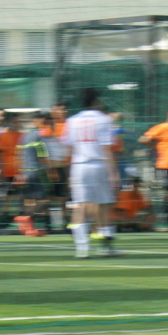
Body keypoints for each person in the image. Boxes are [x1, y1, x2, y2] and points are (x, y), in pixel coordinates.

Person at [62, 88, 120, 258]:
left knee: (80, 206)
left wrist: (69, 172)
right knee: (104, 205)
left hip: (78, 165)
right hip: (99, 165)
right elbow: (106, 147)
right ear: (97, 101)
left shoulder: (72, 120)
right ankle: (106, 247)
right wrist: (113, 172)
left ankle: (82, 249)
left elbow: (68, 147)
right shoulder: (104, 119)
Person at [15, 111, 54, 237]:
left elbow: (19, 155)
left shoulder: (23, 137)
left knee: (29, 201)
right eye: (44, 121)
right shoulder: (38, 136)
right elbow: (42, 157)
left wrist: (21, 172)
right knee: (46, 199)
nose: (46, 124)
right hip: (37, 172)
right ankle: (25, 217)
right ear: (38, 120)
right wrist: (50, 170)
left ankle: (30, 228)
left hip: (25, 172)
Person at [50, 101, 71, 230]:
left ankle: (65, 222)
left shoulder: (70, 125)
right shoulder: (49, 126)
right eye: (59, 109)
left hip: (68, 165)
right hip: (53, 166)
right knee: (53, 196)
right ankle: (54, 222)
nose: (62, 112)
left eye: (64, 109)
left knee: (66, 196)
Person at [0, 112, 22, 218]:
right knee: (7, 195)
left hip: (20, 170)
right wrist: (2, 171)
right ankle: (5, 216)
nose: (16, 124)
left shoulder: (22, 136)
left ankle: (19, 215)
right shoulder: (4, 136)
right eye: (14, 122)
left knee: (20, 194)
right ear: (10, 122)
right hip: (8, 170)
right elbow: (1, 155)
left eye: (18, 122)